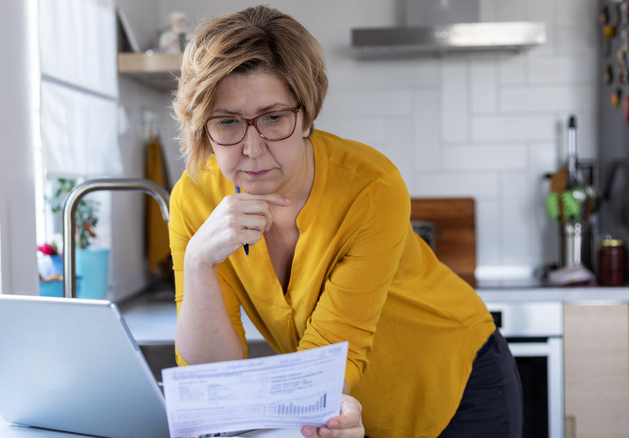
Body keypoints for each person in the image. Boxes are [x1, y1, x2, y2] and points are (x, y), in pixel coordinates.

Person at [169, 5, 523, 438]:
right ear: (201, 125)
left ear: (307, 115)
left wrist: (314, 407)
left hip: (452, 382)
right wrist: (198, 263)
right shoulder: (194, 197)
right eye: (226, 123)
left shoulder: (371, 186)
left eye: (274, 118)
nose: (252, 148)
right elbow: (212, 381)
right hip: (336, 409)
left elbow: (333, 355)